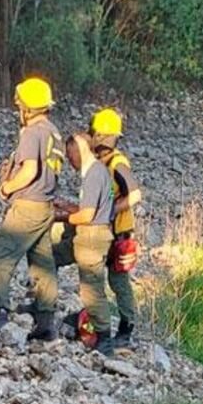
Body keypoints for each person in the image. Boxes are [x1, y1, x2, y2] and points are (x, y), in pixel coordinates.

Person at [0, 77, 65, 340]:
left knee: (0, 256)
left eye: (20, 106)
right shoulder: (53, 132)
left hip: (28, 205)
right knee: (42, 264)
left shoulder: (31, 132)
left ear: (28, 107)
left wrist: (7, 188)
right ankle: (45, 320)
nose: (18, 111)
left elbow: (29, 171)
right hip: (45, 206)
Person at [53, 133, 116, 356]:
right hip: (93, 235)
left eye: (71, 156)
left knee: (91, 290)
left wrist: (61, 218)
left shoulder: (93, 174)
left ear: (79, 150)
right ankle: (43, 304)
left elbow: (88, 215)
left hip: (91, 238)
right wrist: (68, 207)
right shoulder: (98, 171)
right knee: (52, 257)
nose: (70, 162)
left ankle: (104, 337)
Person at [89, 108, 142, 347]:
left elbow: (135, 194)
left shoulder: (117, 164)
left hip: (119, 234)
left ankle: (126, 327)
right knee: (96, 277)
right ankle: (96, 318)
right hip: (105, 231)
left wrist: (109, 211)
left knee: (118, 282)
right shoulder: (101, 163)